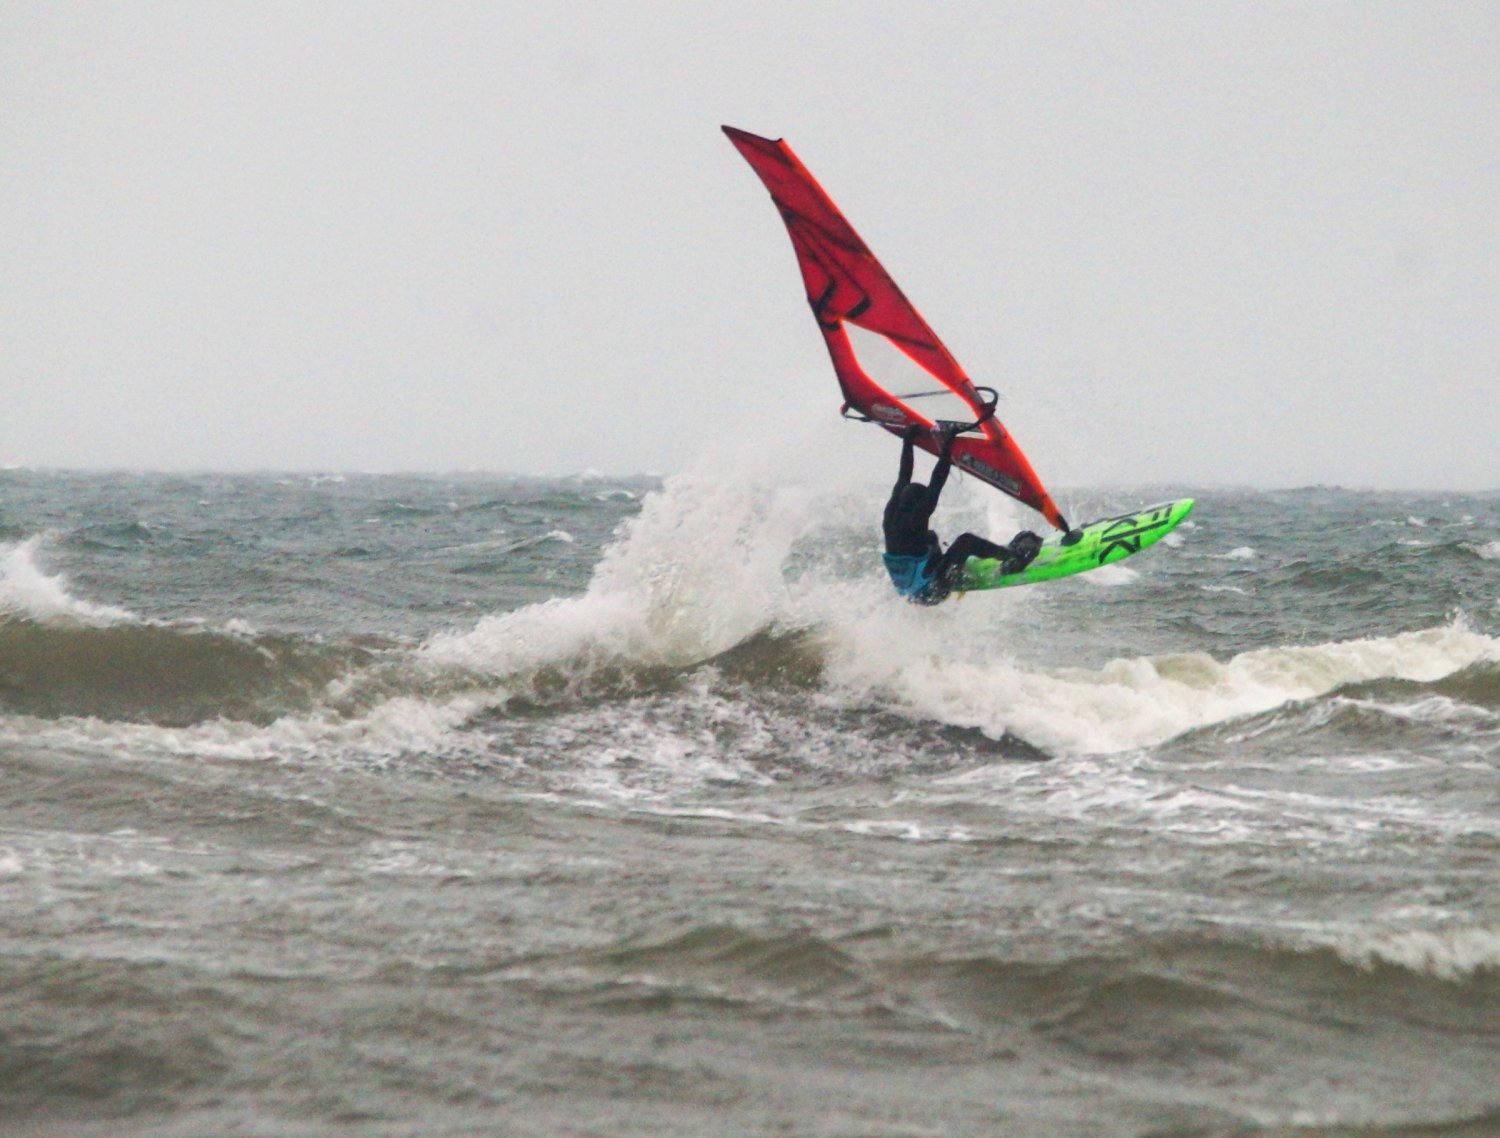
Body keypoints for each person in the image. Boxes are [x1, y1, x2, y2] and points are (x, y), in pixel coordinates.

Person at [882, 423, 1042, 604]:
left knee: (930, 539)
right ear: (919, 504)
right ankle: (1015, 559)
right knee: (966, 541)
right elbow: (937, 481)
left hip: (911, 593)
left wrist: (908, 441)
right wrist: (948, 445)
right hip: (931, 592)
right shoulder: (916, 519)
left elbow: (903, 476)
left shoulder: (891, 513)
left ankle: (951, 571)